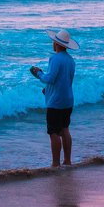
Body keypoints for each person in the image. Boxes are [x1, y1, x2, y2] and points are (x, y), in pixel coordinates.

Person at [30, 29, 78, 167]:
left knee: (53, 132)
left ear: (56, 43)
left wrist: (39, 73)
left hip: (55, 103)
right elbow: (66, 81)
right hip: (68, 100)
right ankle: (67, 161)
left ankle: (55, 164)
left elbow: (49, 78)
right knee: (65, 129)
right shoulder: (71, 60)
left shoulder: (54, 58)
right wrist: (49, 91)